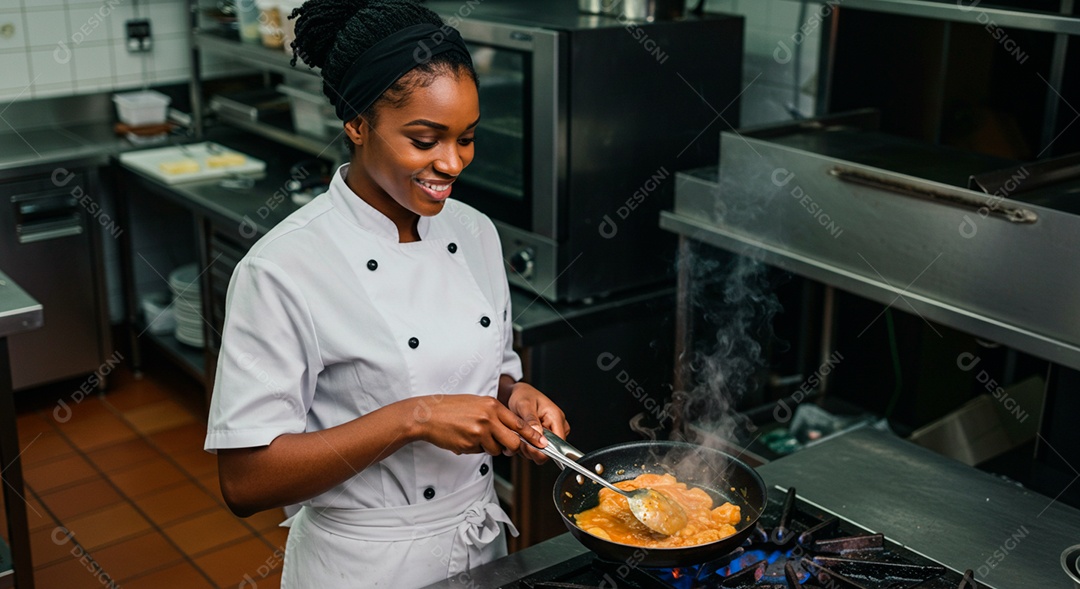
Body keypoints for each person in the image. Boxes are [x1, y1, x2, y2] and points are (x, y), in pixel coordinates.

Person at [203, 1, 570, 586]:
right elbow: (245, 482)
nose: (451, 163)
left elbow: (481, 366)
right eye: (424, 140)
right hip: (364, 565)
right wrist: (414, 418)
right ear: (356, 122)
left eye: (467, 138)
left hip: (481, 546)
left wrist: (514, 391)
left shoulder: (475, 230)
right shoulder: (282, 267)